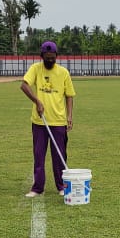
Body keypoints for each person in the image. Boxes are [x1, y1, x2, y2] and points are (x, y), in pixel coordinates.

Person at [20, 41, 75, 197]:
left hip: (58, 121)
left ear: (57, 56)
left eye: (52, 58)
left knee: (59, 156)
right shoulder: (35, 69)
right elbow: (24, 85)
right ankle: (37, 188)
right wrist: (37, 101)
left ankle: (62, 186)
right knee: (39, 156)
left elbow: (69, 96)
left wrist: (69, 116)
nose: (50, 60)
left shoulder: (63, 72)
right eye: (47, 58)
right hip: (40, 121)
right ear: (42, 56)